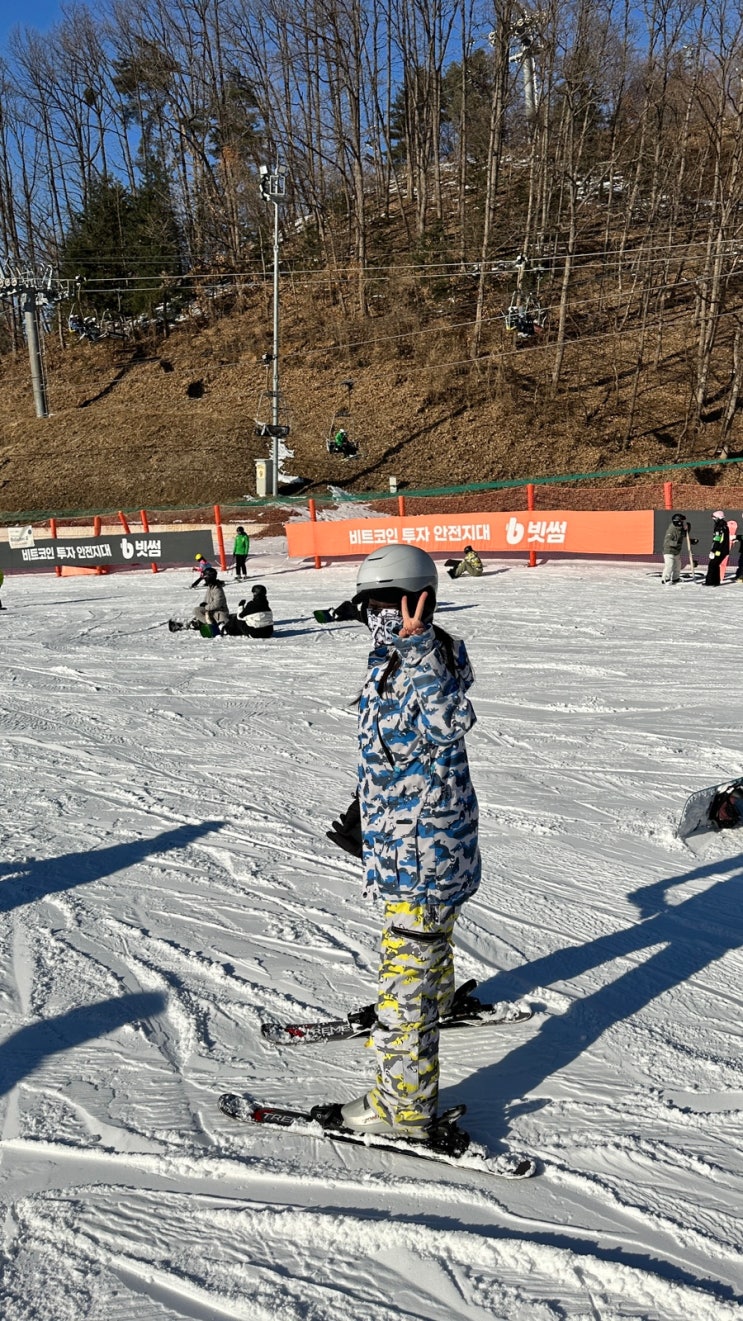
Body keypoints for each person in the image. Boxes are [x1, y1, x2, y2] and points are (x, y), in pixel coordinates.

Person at [337, 544, 480, 1139]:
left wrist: (418, 646)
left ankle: (402, 1107)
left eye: (383, 604)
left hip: (424, 851)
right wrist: (365, 811)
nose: (373, 617)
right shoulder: (392, 658)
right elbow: (391, 750)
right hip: (409, 837)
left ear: (418, 601)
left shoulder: (426, 659)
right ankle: (437, 998)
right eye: (365, 606)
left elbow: (449, 722)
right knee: (424, 943)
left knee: (404, 980)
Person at [191, 567, 230, 633]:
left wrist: (206, 607)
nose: (204, 579)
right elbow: (206, 599)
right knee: (196, 610)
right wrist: (203, 604)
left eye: (205, 577)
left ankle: (210, 624)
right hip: (211, 611)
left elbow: (217, 604)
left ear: (209, 577)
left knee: (222, 624)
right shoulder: (210, 587)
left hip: (219, 612)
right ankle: (206, 623)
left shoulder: (217, 588)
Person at [661, 514, 696, 584]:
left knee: (678, 565)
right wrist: (676, 543)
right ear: (678, 522)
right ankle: (665, 579)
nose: (683, 523)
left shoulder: (680, 528)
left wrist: (688, 528)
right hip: (669, 551)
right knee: (669, 565)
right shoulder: (671, 530)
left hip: (676, 551)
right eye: (682, 521)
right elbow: (667, 542)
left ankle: (675, 578)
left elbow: (685, 534)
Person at [705, 511, 730, 587]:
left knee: (712, 565)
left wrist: (713, 550)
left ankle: (710, 582)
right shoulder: (724, 526)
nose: (713, 519)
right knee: (715, 565)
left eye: (714, 518)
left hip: (719, 550)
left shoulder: (719, 527)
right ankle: (716, 581)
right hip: (723, 549)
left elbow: (717, 539)